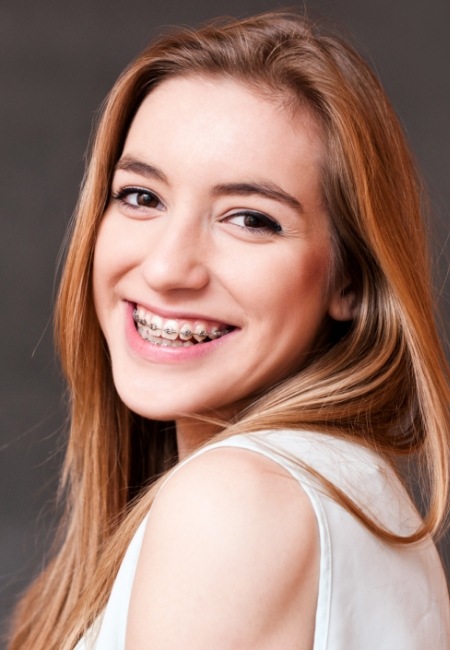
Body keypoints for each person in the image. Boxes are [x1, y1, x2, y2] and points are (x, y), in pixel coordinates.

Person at [7, 11, 450, 650]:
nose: (165, 268)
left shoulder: (235, 503)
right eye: (141, 197)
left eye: (250, 218)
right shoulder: (334, 492)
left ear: (349, 280)